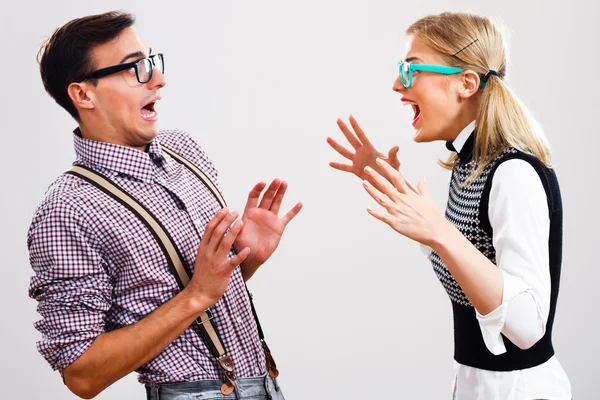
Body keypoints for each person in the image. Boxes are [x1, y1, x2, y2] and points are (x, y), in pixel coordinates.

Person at [28, 10, 302, 400]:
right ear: (83, 94)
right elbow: (82, 375)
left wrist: (246, 259)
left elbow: (189, 292)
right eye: (133, 69)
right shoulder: (68, 209)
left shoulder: (184, 151)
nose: (158, 79)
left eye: (150, 61)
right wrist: (196, 294)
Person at [327, 12, 571, 399]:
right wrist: (401, 193)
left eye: (411, 70)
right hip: (476, 383)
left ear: (466, 83)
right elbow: (466, 270)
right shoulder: (472, 164)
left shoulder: (513, 174)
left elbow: (528, 327)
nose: (396, 84)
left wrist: (440, 234)